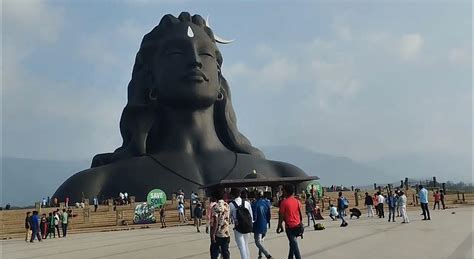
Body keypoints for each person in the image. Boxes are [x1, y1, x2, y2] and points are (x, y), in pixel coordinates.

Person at [52, 12, 308, 203]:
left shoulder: (283, 174)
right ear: (149, 78)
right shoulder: (93, 185)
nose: (195, 62)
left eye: (205, 54)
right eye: (176, 54)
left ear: (219, 78)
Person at [277, 184, 303, 259]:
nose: (282, 192)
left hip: (290, 227)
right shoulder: (297, 201)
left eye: (283, 190)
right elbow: (301, 214)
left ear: (285, 191)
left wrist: (279, 226)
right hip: (298, 225)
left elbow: (281, 216)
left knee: (294, 244)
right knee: (292, 243)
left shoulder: (284, 202)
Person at [229, 188, 253, 259]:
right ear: (240, 194)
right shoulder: (247, 203)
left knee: (241, 246)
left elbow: (229, 217)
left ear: (232, 195)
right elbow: (251, 216)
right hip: (247, 226)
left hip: (238, 227)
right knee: (246, 244)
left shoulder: (231, 204)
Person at [252, 189, 274, 259]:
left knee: (257, 242)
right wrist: (268, 222)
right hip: (265, 224)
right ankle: (260, 258)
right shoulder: (266, 203)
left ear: (256, 195)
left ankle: (268, 256)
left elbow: (254, 217)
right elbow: (269, 215)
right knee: (261, 242)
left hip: (258, 225)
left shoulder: (255, 204)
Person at [210, 189, 231, 259]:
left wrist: (213, 234)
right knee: (225, 251)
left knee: (214, 251)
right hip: (226, 232)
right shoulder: (227, 205)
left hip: (218, 233)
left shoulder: (215, 207)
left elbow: (215, 221)